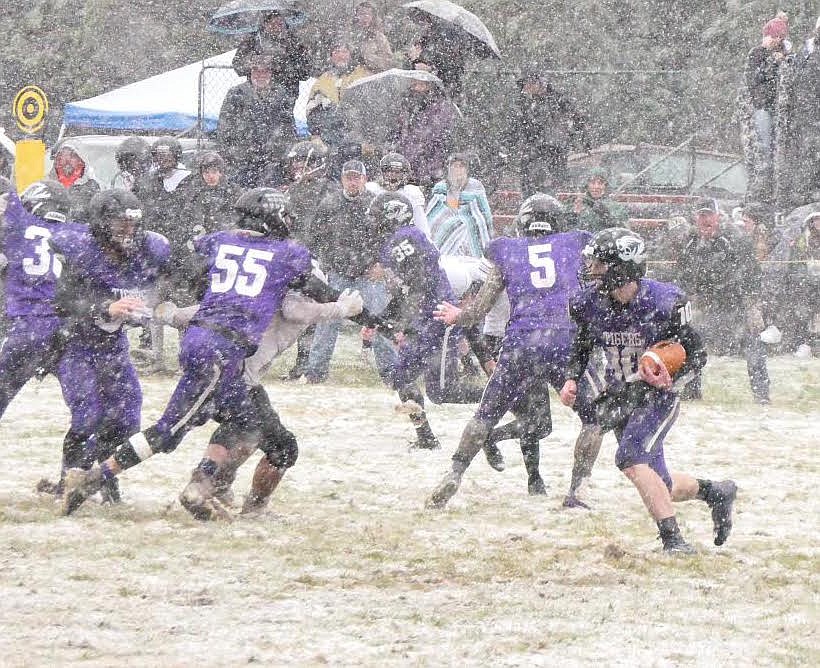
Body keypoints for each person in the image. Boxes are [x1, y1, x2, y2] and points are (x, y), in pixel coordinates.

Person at [60, 189, 316, 515]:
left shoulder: (220, 241)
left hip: (215, 349)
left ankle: (201, 486)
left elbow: (186, 267)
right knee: (168, 431)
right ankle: (95, 477)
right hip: (219, 353)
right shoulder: (284, 253)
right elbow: (317, 289)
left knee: (250, 422)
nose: (127, 231)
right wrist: (358, 312)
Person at [557, 227, 737, 554]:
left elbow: (697, 356)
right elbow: (581, 344)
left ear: (622, 268)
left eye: (600, 264)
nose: (593, 271)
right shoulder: (588, 303)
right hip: (622, 392)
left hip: (658, 396)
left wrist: (672, 379)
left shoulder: (664, 302)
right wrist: (572, 377)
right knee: (660, 482)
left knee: (630, 457)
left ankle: (674, 541)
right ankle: (716, 492)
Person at [426, 194, 602, 505]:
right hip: (564, 339)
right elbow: (595, 286)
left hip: (521, 341)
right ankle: (577, 489)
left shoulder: (507, 250)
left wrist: (458, 315)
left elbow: (480, 309)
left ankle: (454, 471)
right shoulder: (575, 244)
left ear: (522, 224)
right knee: (594, 417)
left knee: (485, 415)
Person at [50, 189, 170, 501]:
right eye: (121, 224)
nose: (128, 231)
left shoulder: (145, 251)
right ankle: (69, 481)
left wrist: (151, 304)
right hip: (77, 344)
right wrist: (105, 307)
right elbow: (63, 301)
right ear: (102, 223)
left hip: (113, 346)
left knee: (128, 418)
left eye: (132, 224)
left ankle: (98, 477)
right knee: (88, 415)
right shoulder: (83, 249)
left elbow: (167, 280)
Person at [368, 192, 485, 450]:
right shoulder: (400, 239)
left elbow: (420, 280)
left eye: (378, 216)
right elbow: (408, 289)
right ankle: (426, 438)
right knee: (401, 376)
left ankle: (502, 397)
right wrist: (384, 320)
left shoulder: (403, 238)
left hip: (438, 319)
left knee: (443, 392)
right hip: (427, 320)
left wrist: (406, 320)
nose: (374, 222)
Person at [0, 182, 82, 424]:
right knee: (86, 406)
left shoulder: (19, 226)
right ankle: (84, 457)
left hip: (27, 326)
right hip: (70, 328)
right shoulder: (76, 233)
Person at [302, 160, 390, 384]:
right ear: (342, 179)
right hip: (339, 274)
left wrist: (382, 264)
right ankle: (315, 373)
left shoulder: (377, 204)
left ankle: (392, 374)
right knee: (327, 324)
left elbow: (388, 239)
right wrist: (326, 262)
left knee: (379, 322)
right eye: (349, 177)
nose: (353, 181)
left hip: (370, 275)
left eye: (357, 177)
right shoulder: (329, 204)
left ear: (365, 179)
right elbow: (314, 237)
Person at [676, 199, 770, 404]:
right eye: (701, 216)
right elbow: (682, 276)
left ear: (718, 217)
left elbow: (752, 275)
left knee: (752, 342)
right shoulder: (690, 242)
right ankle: (691, 391)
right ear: (696, 219)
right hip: (704, 305)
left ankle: (762, 395)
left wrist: (753, 306)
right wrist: (689, 300)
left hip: (735, 302)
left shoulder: (737, 240)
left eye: (709, 215)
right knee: (689, 342)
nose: (705, 220)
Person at [503, 66, 591, 196]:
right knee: (529, 181)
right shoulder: (525, 103)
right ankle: (532, 203)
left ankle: (550, 205)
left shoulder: (558, 99)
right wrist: (508, 144)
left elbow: (577, 118)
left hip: (554, 148)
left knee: (552, 182)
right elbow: (518, 127)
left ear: (539, 82)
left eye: (529, 83)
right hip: (534, 150)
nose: (526, 87)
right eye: (525, 84)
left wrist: (582, 139)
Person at [217, 53, 295, 188]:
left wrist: (282, 154)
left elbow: (288, 127)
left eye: (265, 71)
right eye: (256, 71)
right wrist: (233, 152)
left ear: (271, 73)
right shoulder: (237, 93)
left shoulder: (281, 94)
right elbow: (224, 127)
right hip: (242, 161)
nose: (260, 75)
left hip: (272, 161)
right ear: (250, 72)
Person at [742, 18, 789, 203]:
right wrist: (772, 62)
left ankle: (770, 189)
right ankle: (761, 189)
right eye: (772, 36)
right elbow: (755, 81)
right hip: (763, 108)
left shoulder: (785, 56)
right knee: (763, 148)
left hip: (777, 109)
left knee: (776, 151)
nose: (774, 40)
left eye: (778, 37)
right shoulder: (757, 54)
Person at [392, 66, 459, 191]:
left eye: (421, 84)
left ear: (430, 86)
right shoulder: (406, 106)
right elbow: (400, 134)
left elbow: (433, 137)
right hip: (407, 169)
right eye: (414, 83)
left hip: (430, 169)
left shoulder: (441, 108)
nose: (417, 88)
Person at [231, 10, 311, 102]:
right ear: (265, 25)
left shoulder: (293, 43)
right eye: (272, 23)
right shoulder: (253, 41)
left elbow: (305, 72)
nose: (276, 27)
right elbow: (238, 65)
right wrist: (253, 60)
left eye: (280, 23)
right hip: (255, 95)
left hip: (285, 95)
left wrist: (278, 62)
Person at [427, 153, 494, 258]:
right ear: (449, 168)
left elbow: (484, 212)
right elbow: (440, 211)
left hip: (471, 222)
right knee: (449, 224)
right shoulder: (440, 186)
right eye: (454, 165)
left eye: (461, 166)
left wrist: (465, 218)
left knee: (469, 224)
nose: (457, 169)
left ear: (467, 169)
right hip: (447, 220)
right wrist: (453, 186)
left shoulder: (476, 186)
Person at [186, 151, 243, 236]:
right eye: (206, 172)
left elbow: (238, 218)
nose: (210, 176)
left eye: (214, 172)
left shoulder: (234, 191)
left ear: (221, 173)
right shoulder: (195, 193)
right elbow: (190, 217)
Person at [48, 139, 102, 220]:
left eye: (72, 156)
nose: (67, 160)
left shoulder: (91, 187)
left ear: (81, 160)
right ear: (57, 160)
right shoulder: (47, 185)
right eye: (62, 156)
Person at [567, 167, 629, 233]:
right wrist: (574, 214)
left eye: (600, 183)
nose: (596, 187)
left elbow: (624, 231)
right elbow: (567, 230)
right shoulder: (578, 203)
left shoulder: (615, 207)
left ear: (605, 186)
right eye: (593, 183)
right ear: (587, 185)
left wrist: (606, 215)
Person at [348, 1, 395, 73]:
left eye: (368, 14)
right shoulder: (349, 36)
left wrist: (367, 58)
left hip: (372, 77)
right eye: (361, 14)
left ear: (373, 17)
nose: (365, 17)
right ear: (356, 16)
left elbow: (388, 62)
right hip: (351, 77)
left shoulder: (379, 37)